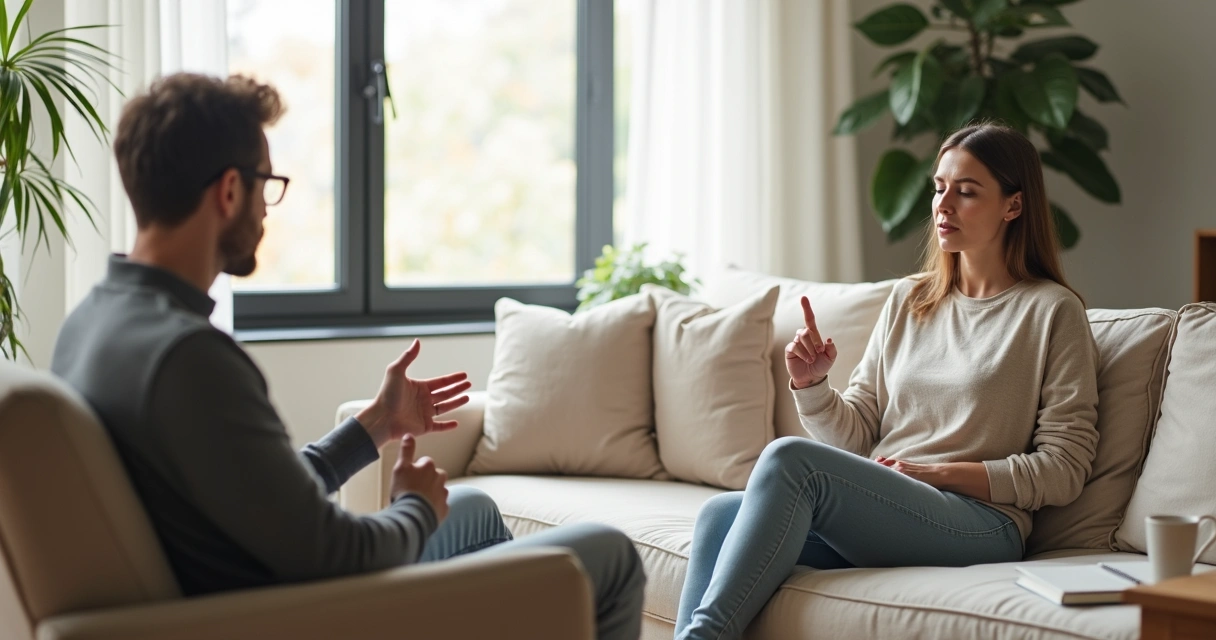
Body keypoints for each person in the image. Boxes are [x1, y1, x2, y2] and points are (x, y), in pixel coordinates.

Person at [51, 72, 645, 640]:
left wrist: (375, 427)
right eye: (267, 186)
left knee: (472, 507)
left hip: (262, 591)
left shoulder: (95, 326)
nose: (265, 209)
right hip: (307, 617)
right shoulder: (190, 359)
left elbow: (259, 496)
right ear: (230, 190)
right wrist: (412, 505)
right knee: (609, 554)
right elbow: (339, 555)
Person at [674, 123, 1100, 639]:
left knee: (789, 459)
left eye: (966, 192)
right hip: (895, 503)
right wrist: (812, 388)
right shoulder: (909, 300)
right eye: (939, 188)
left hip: (982, 522)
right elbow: (856, 436)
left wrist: (940, 473)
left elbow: (1064, 468)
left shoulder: (1052, 311)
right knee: (719, 516)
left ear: (1013, 206)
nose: (943, 206)